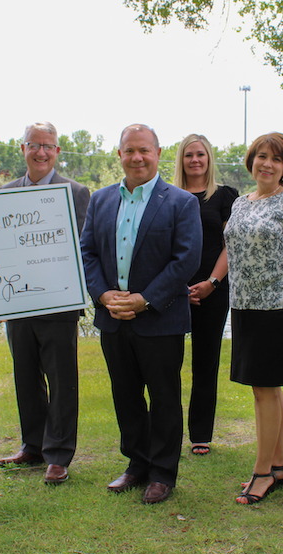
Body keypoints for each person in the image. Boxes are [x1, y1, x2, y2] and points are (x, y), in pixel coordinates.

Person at [79, 124, 201, 504]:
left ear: (158, 153)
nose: (137, 157)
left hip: (159, 318)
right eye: (129, 151)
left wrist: (145, 299)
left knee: (164, 397)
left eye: (144, 150)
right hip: (113, 318)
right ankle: (137, 463)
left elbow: (186, 260)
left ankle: (163, 473)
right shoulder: (99, 201)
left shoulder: (181, 202)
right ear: (119, 155)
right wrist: (102, 295)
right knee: (126, 394)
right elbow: (86, 253)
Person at [0, 122, 90, 484]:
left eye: (48, 146)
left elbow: (84, 246)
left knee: (61, 377)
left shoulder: (76, 191)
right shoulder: (3, 193)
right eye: (34, 145)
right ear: (23, 149)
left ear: (57, 152)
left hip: (58, 302)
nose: (41, 152)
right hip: (17, 302)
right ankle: (33, 446)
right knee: (26, 376)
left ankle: (59, 454)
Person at [224, 132, 283, 504]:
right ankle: (279, 464)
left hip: (277, 306)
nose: (267, 164)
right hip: (243, 305)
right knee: (268, 389)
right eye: (261, 156)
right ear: (251, 160)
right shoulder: (240, 204)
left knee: (265, 390)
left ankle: (261, 472)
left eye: (276, 159)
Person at [173, 134, 238, 456]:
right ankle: (167, 430)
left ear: (209, 158)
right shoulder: (168, 196)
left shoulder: (226, 196)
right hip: (173, 292)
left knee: (205, 362)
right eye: (189, 155)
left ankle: (200, 434)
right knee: (167, 363)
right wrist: (176, 287)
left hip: (214, 289)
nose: (195, 160)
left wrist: (212, 281)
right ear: (181, 161)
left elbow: (231, 245)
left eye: (200, 154)